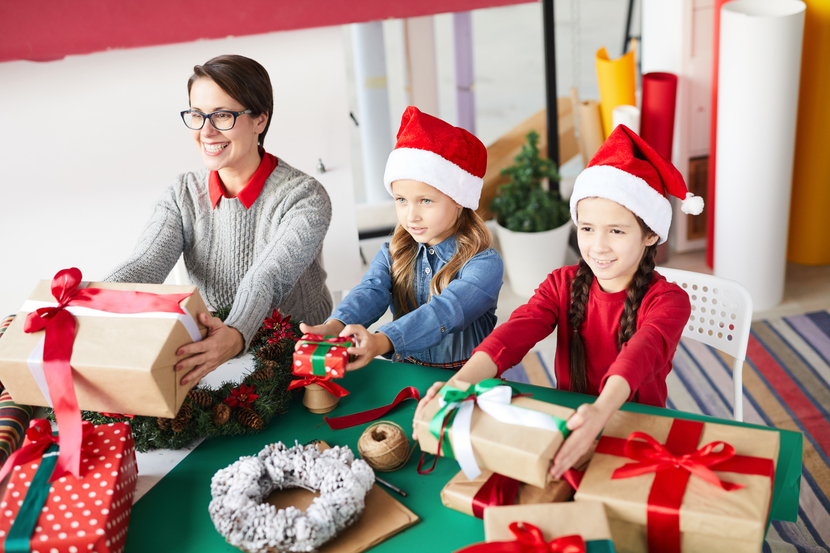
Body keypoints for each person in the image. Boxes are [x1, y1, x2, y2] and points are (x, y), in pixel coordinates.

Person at [414, 124, 703, 478]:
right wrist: (459, 383)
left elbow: (640, 353)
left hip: (637, 434)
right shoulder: (561, 284)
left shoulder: (671, 301)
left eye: (616, 230)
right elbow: (515, 332)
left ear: (651, 234)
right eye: (586, 228)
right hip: (567, 425)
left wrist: (599, 413)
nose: (598, 246)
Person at [106, 55, 332, 385]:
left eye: (223, 115)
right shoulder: (181, 194)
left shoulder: (305, 196)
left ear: (260, 120)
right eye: (197, 116)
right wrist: (82, 308)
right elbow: (143, 265)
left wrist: (238, 331)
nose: (206, 131)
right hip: (215, 356)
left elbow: (266, 276)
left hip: (301, 355)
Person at [300, 106, 503, 371]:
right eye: (401, 200)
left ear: (459, 200)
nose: (411, 216)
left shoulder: (485, 264)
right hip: (406, 371)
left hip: (465, 379)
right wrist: (335, 325)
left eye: (426, 201)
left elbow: (445, 312)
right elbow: (371, 291)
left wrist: (381, 341)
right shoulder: (392, 251)